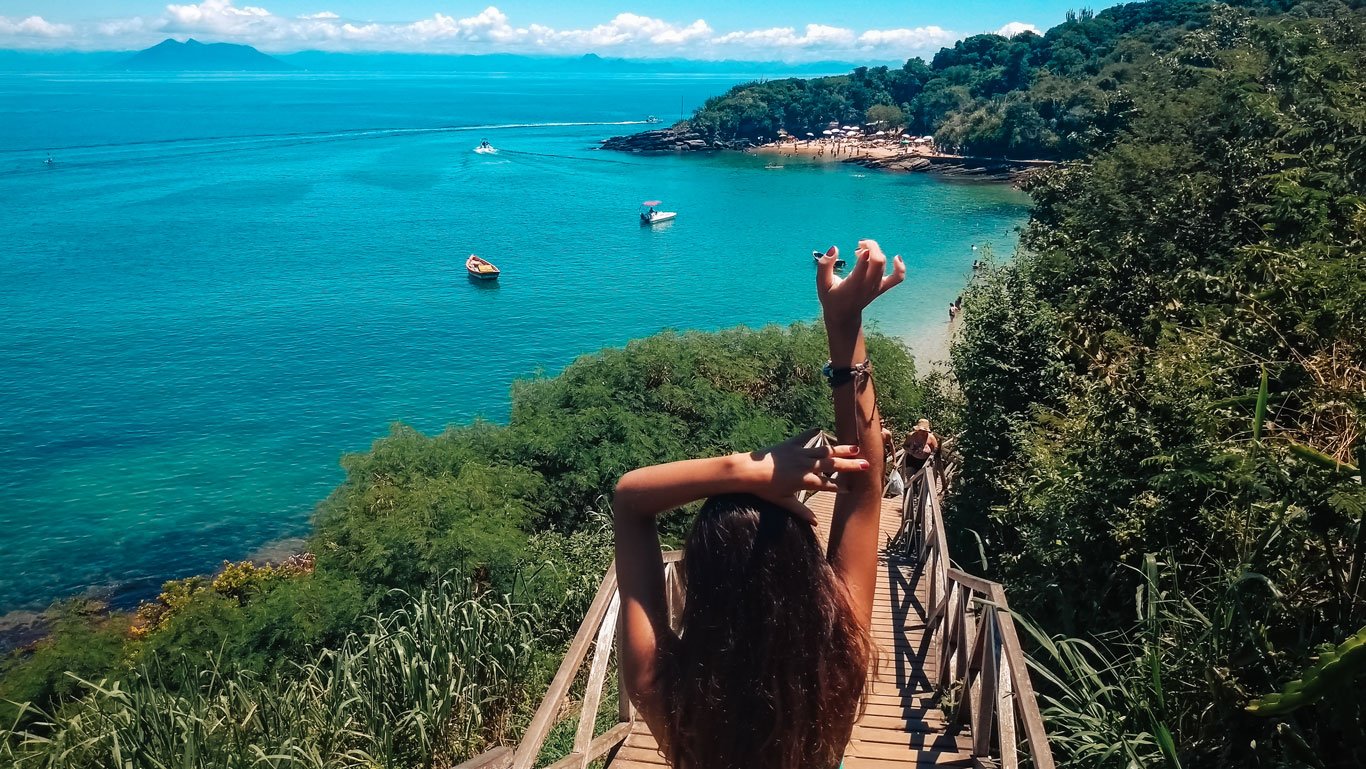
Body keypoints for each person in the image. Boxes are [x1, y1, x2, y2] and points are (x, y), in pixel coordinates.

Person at [614, 240, 906, 769]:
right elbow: (867, 480)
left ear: (702, 578)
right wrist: (844, 328)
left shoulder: (665, 689)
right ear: (806, 570)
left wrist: (740, 469)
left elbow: (630, 497)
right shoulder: (839, 668)